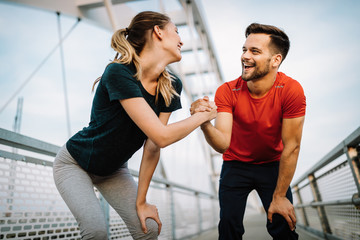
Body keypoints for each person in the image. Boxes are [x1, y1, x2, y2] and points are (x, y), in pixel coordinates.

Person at [53, 11, 217, 240]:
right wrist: (205, 116)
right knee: (96, 232)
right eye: (177, 32)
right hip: (75, 164)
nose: (181, 40)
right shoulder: (119, 72)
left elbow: (153, 146)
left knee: (147, 228)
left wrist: (142, 202)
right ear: (158, 32)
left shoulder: (171, 85)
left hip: (114, 171)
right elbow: (162, 136)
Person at [190, 23, 306, 239]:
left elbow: (292, 146)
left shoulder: (291, 90)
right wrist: (203, 121)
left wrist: (279, 196)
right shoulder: (227, 91)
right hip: (235, 165)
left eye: (255, 51)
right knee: (228, 227)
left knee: (283, 226)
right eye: (244, 49)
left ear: (275, 60)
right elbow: (222, 143)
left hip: (272, 165)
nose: (245, 56)